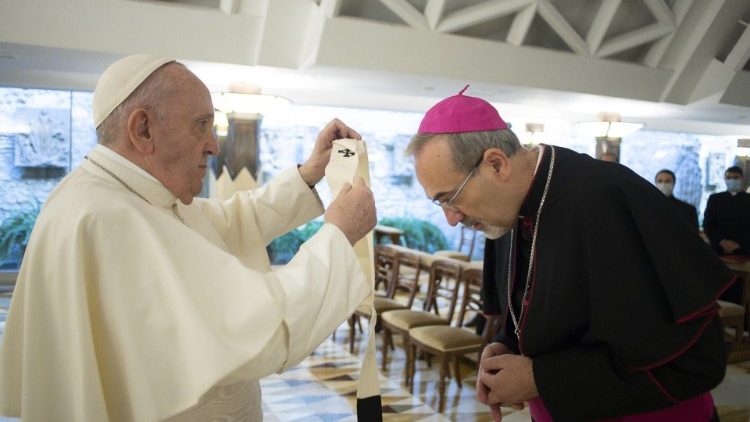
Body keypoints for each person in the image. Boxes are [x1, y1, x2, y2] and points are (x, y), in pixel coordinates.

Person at [0, 54, 378, 421]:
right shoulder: (107, 217)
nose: (214, 146)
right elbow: (262, 329)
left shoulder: (123, 196)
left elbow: (233, 219)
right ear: (143, 129)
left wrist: (309, 173)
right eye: (201, 125)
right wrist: (338, 235)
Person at [406, 86, 733, 421]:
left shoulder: (607, 200)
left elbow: (696, 363)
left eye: (450, 197)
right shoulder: (504, 213)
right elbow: (542, 310)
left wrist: (538, 378)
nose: (452, 218)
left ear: (496, 164)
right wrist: (507, 344)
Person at [703, 166, 750, 257]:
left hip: (745, 250)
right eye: (728, 178)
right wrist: (722, 242)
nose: (732, 180)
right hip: (718, 250)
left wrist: (738, 244)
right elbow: (708, 224)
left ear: (742, 179)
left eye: (735, 177)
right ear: (725, 179)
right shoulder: (715, 199)